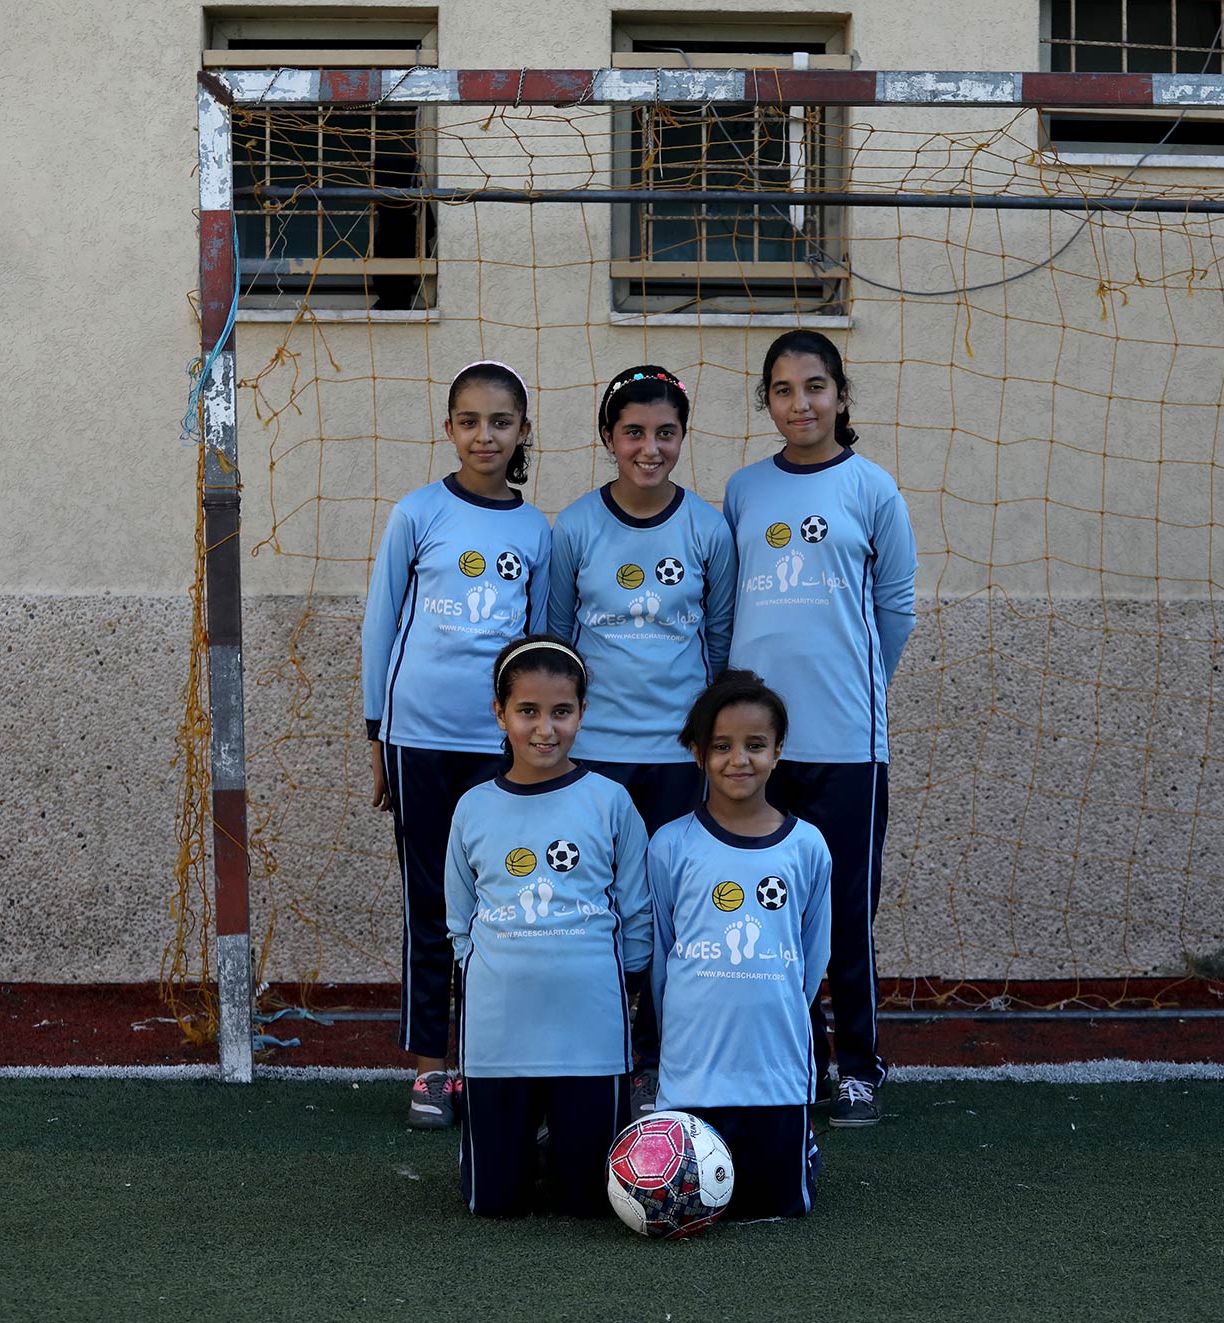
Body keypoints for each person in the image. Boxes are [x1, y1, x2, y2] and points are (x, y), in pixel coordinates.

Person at [722, 330, 917, 1127]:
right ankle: (791, 1063)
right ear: (766, 402)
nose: (798, 403)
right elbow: (728, 609)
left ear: (841, 393)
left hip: (845, 743)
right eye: (781, 389)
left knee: (843, 914)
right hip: (755, 751)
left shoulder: (873, 489)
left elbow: (894, 610)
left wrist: (856, 683)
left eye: (814, 386)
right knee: (767, 911)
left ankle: (861, 1067)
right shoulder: (742, 490)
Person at [361, 360, 552, 1129]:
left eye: (500, 422)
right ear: (449, 429)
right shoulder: (417, 513)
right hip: (419, 740)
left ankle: (491, 1062)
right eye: (470, 421)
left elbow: (541, 649)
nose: (485, 435)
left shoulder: (536, 529)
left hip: (499, 749)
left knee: (503, 905)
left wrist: (536, 743)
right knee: (431, 904)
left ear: (522, 433)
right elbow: (381, 626)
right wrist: (377, 734)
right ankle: (430, 1067)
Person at [548, 364, 736, 1113]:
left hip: (674, 757)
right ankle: (594, 1050)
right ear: (607, 438)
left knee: (666, 913)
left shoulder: (708, 527)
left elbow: (720, 645)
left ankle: (661, 1057)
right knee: (593, 906)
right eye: (634, 433)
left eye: (665, 433)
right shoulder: (575, 527)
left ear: (683, 438)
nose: (650, 448)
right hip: (593, 759)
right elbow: (554, 644)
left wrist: (710, 746)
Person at [444, 636, 652, 1217]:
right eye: (527, 711)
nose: (545, 728)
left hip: (589, 1033)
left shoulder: (610, 802)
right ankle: (522, 1149)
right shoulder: (473, 807)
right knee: (494, 1205)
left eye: (561, 712)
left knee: (588, 1204)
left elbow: (636, 914)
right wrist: (484, 973)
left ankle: (562, 1146)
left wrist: (622, 989)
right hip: (498, 1034)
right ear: (500, 713)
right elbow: (459, 918)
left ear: (582, 713)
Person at [647, 670, 830, 1218]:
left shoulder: (807, 846)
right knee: (691, 1211)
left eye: (755, 745)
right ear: (698, 752)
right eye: (721, 746)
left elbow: (812, 957)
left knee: (774, 1210)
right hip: (692, 1074)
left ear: (778, 751)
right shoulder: (671, 844)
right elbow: (662, 954)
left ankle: (801, 1143)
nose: (738, 760)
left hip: (774, 1071)